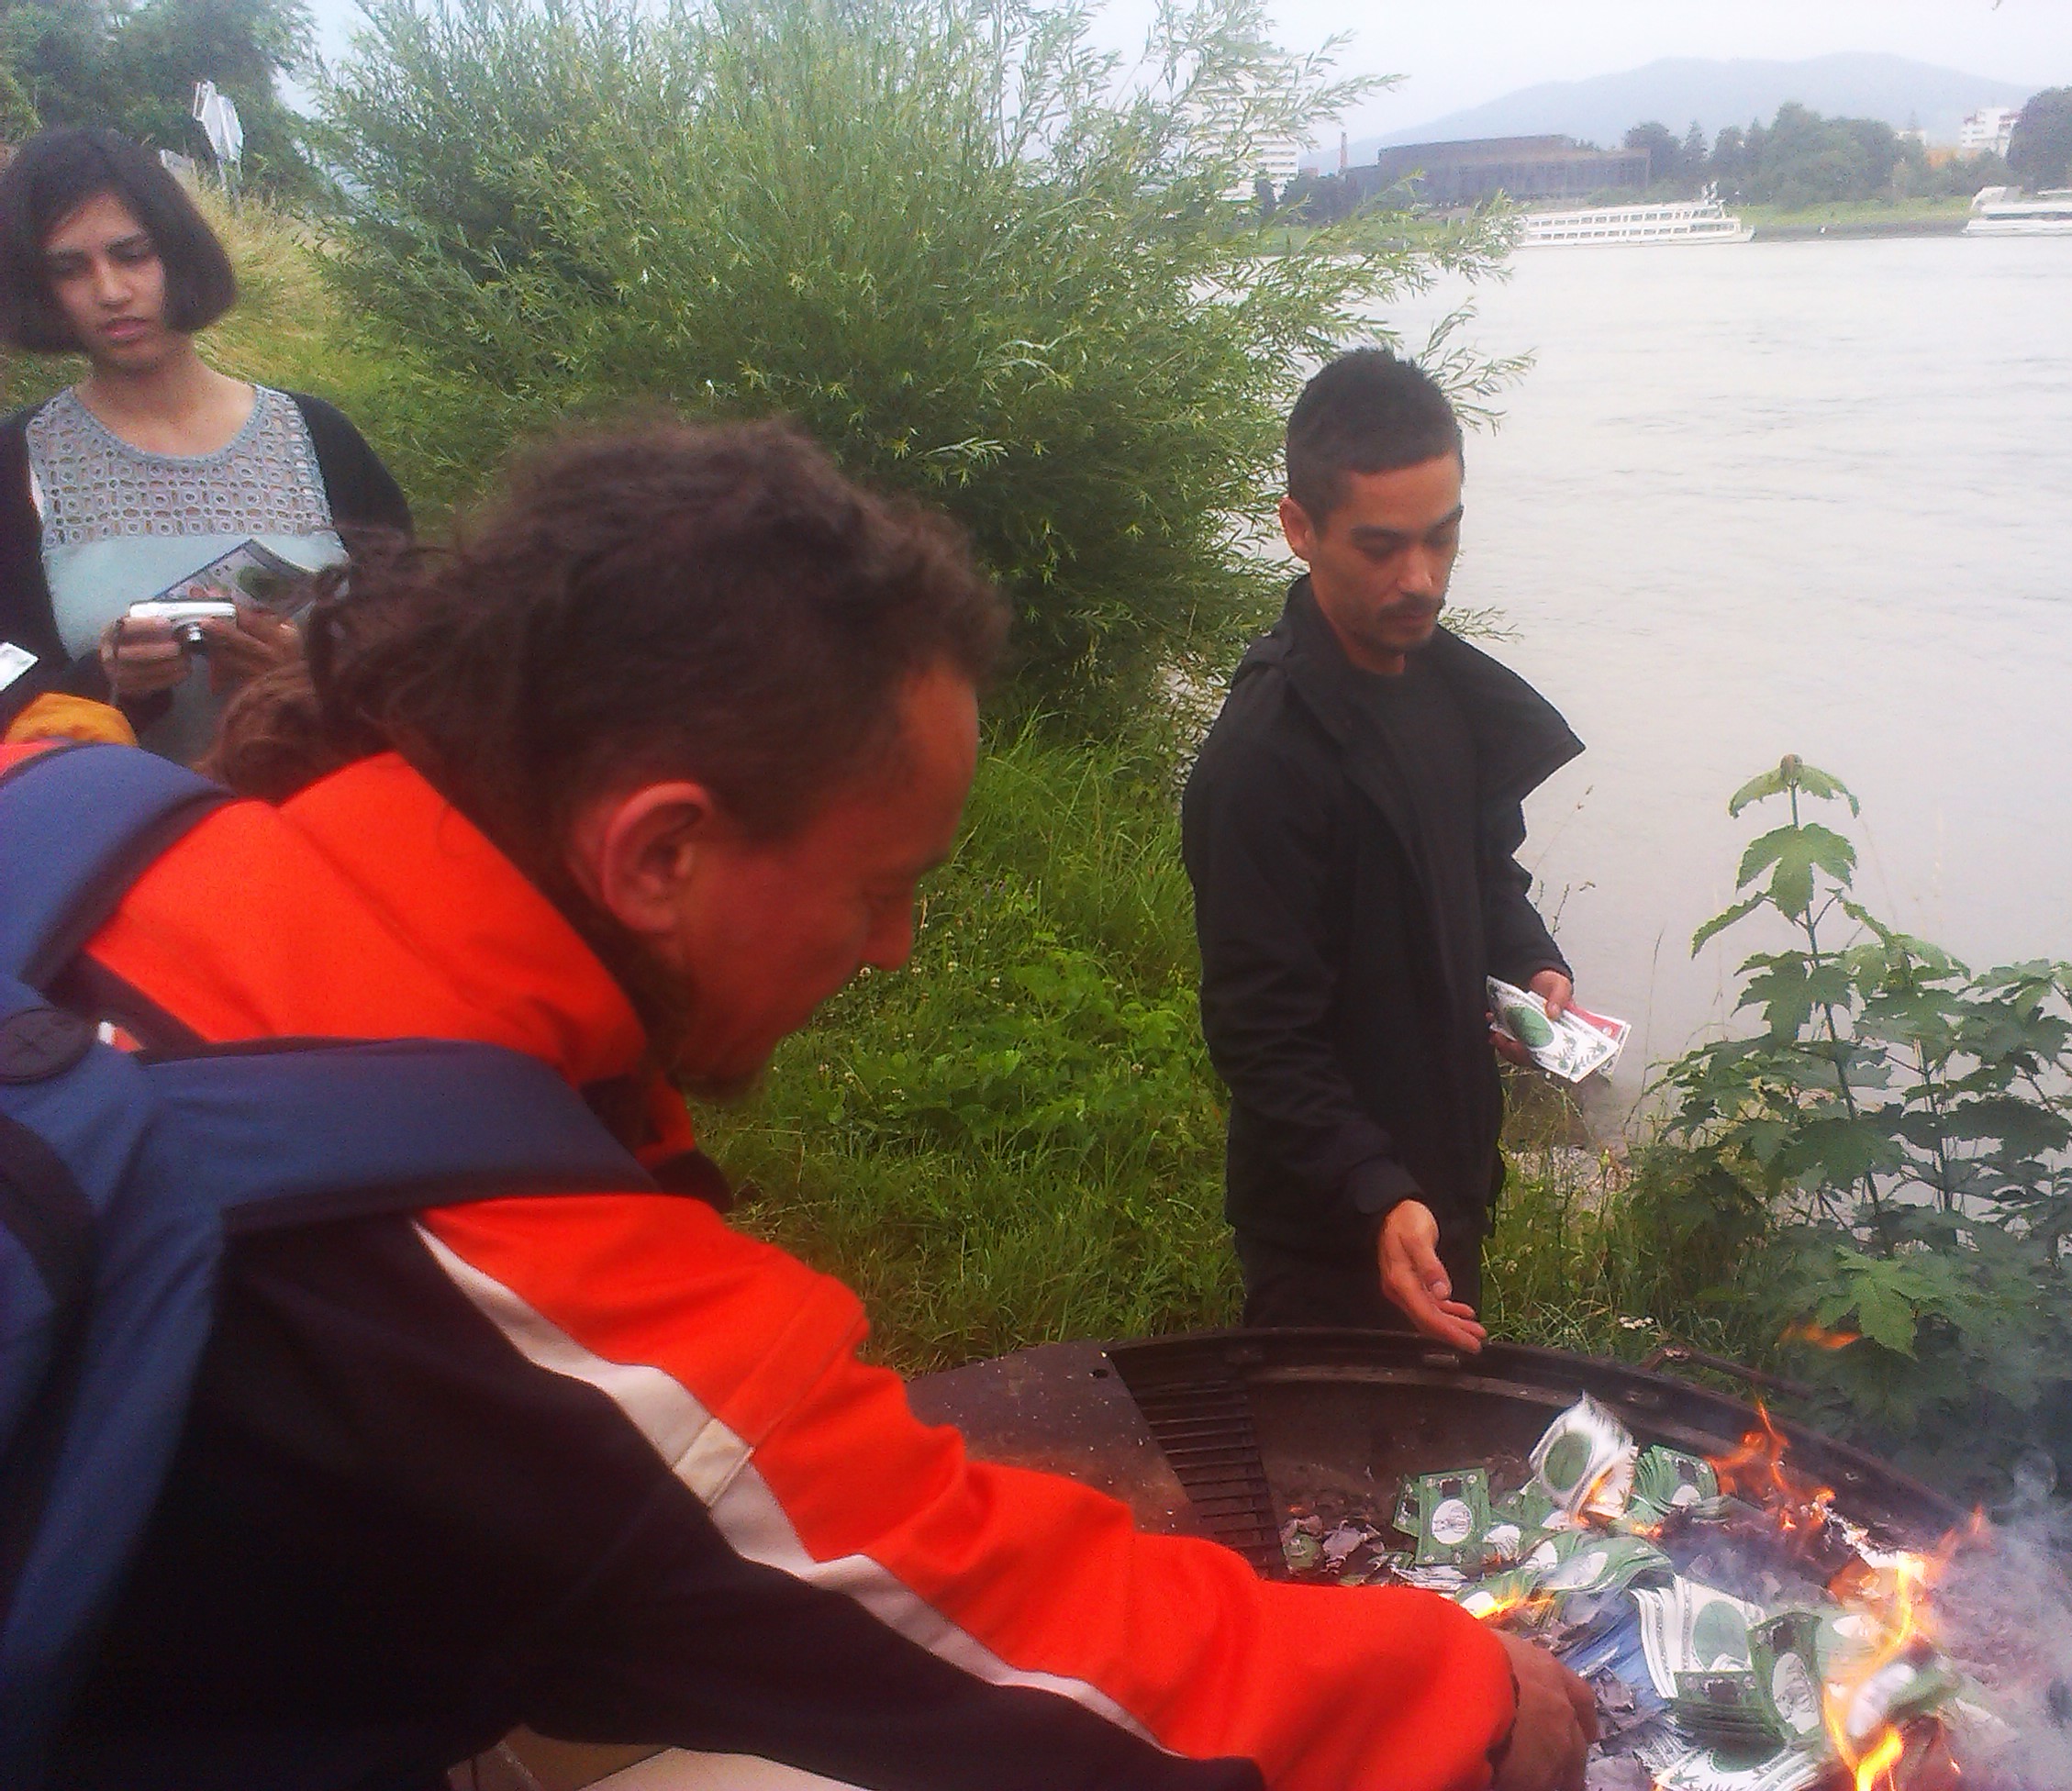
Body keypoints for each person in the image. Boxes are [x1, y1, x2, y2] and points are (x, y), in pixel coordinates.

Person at [7, 418, 1594, 1790]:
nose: (896, 947)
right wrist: (1461, 1690)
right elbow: (995, 1621)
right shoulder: (503, 1266)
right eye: (880, 886)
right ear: (657, 853)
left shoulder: (81, 801)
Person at [1181, 350, 1584, 1354]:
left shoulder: (1437, 684)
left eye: (1442, 540)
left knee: (1443, 1488)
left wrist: (1530, 956)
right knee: (1333, 1507)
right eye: (1381, 547)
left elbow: (1480, 862)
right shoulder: (1262, 761)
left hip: (1442, 1186)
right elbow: (1260, 1033)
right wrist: (1377, 1192)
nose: (1421, 580)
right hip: (1329, 1232)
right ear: (1298, 528)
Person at [0, 127, 410, 763]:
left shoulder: (320, 437)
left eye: (132, 254)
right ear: (39, 288)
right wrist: (103, 681)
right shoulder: (16, 461)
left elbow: (423, 652)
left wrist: (311, 669)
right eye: (70, 269)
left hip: (316, 832)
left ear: (179, 253)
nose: (110, 291)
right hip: (121, 845)